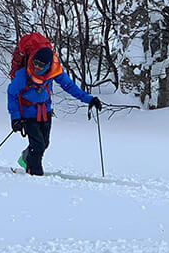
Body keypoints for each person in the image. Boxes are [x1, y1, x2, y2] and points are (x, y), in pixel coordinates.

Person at [8, 42, 101, 176]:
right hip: (27, 114)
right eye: (35, 63)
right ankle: (34, 174)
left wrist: (89, 99)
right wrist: (15, 118)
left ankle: (26, 158)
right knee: (38, 145)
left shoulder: (54, 72)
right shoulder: (23, 75)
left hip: (45, 111)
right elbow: (12, 94)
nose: (37, 67)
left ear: (48, 66)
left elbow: (69, 86)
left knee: (44, 143)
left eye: (41, 65)